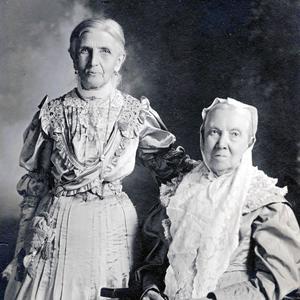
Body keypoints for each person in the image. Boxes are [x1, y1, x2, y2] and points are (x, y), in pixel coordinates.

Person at [2, 18, 194, 300]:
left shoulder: (134, 113)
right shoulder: (51, 114)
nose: (93, 61)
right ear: (73, 56)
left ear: (120, 59)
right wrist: (22, 251)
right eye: (85, 50)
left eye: (105, 51)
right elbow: (35, 188)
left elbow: (176, 173)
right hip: (56, 229)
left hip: (112, 229)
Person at [154, 97, 300, 300]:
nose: (222, 143)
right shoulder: (182, 190)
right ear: (202, 136)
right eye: (214, 132)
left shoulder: (265, 203)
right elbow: (160, 262)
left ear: (250, 142)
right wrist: (151, 289)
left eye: (234, 134)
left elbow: (279, 280)